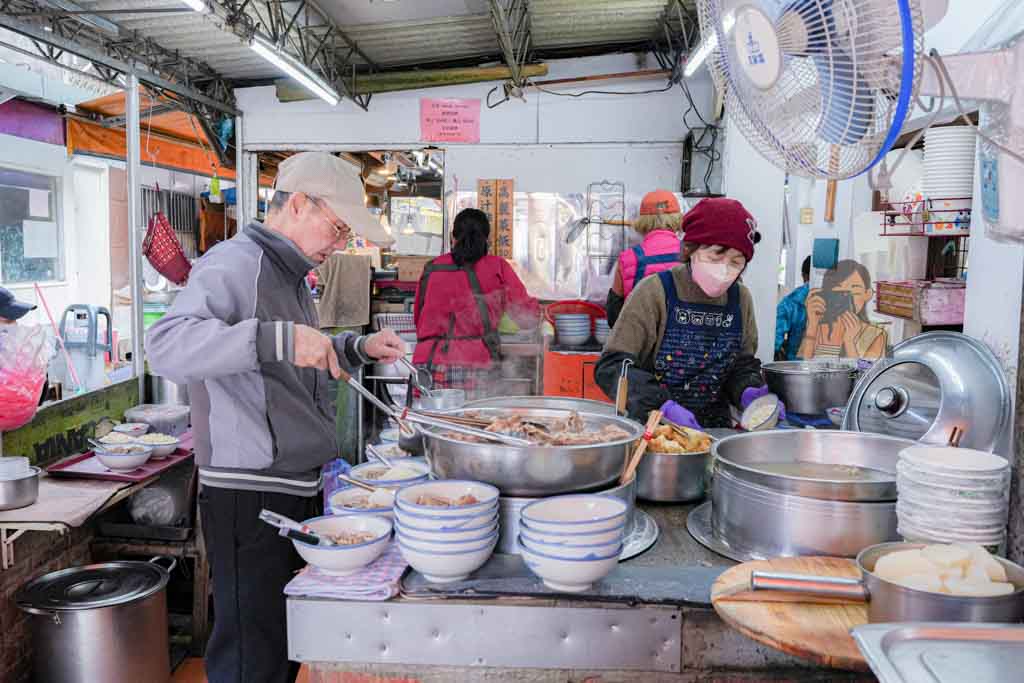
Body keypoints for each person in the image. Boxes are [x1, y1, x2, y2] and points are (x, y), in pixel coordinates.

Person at [146, 152, 406, 683]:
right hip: (250, 492)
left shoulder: (292, 275)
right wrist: (280, 337)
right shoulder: (236, 263)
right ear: (296, 204)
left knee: (284, 646)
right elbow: (166, 346)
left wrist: (355, 347)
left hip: (293, 483)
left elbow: (290, 363)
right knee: (252, 654)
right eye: (336, 228)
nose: (338, 245)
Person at [594, 197, 783, 429]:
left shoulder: (740, 299)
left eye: (736, 262)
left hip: (714, 433)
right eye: (715, 256)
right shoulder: (654, 292)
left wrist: (749, 390)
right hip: (654, 434)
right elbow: (612, 367)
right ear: (689, 249)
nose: (724, 269)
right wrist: (661, 406)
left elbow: (741, 365)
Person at [413, 208, 540, 397]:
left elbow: (418, 318)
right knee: (475, 423)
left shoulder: (432, 268)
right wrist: (542, 315)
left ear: (452, 237)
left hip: (428, 363)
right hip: (474, 364)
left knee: (430, 423)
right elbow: (526, 317)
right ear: (486, 240)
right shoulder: (497, 267)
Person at [605, 190, 682, 327]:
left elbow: (614, 316)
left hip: (640, 342)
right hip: (680, 341)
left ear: (643, 220)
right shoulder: (690, 256)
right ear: (677, 218)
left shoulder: (628, 258)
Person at [799, 259, 887, 360]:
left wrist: (849, 342)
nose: (846, 298)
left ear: (868, 294)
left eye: (854, 291)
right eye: (839, 291)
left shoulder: (875, 335)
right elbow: (805, 365)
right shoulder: (818, 328)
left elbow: (866, 372)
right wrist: (812, 326)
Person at [774, 256, 812, 360]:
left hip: (795, 369)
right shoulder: (838, 301)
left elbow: (775, 342)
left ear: (803, 275)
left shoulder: (790, 302)